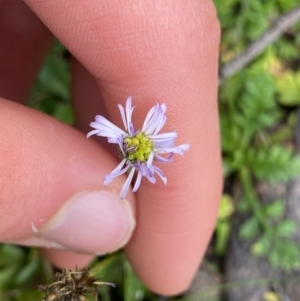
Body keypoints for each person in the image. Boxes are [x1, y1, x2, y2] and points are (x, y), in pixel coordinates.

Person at [0, 0, 222, 295]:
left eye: (140, 148)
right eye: (137, 147)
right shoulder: (133, 142)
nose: (138, 148)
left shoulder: (142, 147)